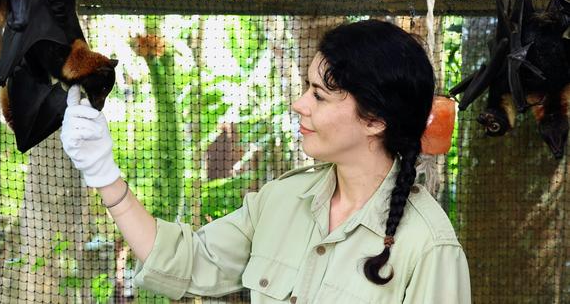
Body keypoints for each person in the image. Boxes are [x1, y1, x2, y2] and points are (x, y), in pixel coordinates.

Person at [60, 19, 471, 303]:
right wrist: (104, 173)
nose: (298, 104)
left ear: (375, 120)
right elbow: (185, 263)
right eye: (306, 89)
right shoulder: (281, 199)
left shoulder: (428, 245)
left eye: (318, 95)